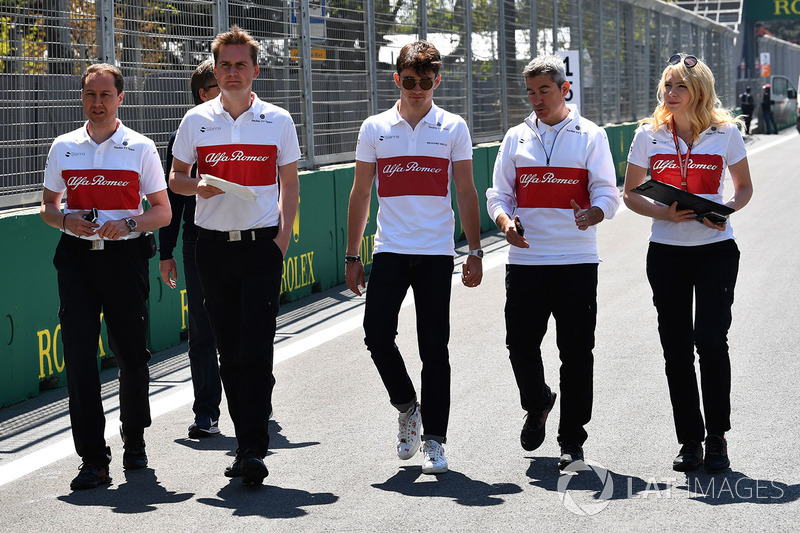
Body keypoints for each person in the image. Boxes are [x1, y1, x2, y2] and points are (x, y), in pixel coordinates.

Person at [345, 40, 483, 475]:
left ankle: (436, 439)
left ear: (437, 80)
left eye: (426, 81)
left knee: (433, 347)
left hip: (436, 253)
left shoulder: (453, 126)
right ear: (397, 79)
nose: (418, 88)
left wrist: (475, 250)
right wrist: (352, 255)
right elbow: (361, 193)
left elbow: (465, 191)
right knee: (376, 334)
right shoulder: (375, 127)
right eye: (409, 80)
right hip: (389, 249)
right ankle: (408, 408)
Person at [169, 26, 299, 486]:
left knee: (256, 347)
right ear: (216, 70)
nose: (232, 72)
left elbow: (290, 184)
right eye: (224, 64)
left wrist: (281, 240)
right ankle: (246, 445)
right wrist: (194, 185)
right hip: (211, 249)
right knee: (228, 351)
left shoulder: (278, 120)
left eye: (241, 64)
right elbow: (175, 179)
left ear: (255, 70)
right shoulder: (195, 120)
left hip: (262, 247)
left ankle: (251, 448)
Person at [39, 63, 171, 490]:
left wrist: (130, 225)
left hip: (124, 258)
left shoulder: (141, 147)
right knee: (79, 360)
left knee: (131, 356)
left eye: (105, 95)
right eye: (90, 95)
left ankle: (134, 438)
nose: (97, 103)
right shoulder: (63, 146)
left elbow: (162, 211)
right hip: (76, 260)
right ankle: (93, 459)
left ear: (121, 98)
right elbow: (48, 206)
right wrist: (66, 222)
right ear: (82, 98)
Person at [486, 54, 620, 471]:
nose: (536, 99)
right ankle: (538, 401)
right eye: (530, 92)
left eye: (544, 90)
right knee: (520, 345)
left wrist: (592, 214)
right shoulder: (515, 138)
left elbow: (608, 195)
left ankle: (572, 441)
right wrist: (505, 222)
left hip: (577, 260)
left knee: (576, 352)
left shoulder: (591, 135)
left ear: (564, 89)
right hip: (526, 261)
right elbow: (498, 195)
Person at [623, 53, 753, 474]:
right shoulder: (648, 135)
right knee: (676, 348)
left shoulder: (725, 133)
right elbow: (630, 194)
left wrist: (726, 210)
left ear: (698, 91)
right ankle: (690, 441)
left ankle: (717, 437)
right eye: (667, 85)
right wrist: (662, 213)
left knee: (711, 341)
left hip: (716, 250)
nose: (671, 93)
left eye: (680, 86)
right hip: (666, 252)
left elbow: (744, 188)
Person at [158, 59, 223, 439]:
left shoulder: (251, 129)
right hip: (198, 242)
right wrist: (166, 253)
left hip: (244, 238)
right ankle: (206, 413)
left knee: (247, 326)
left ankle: (256, 403)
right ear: (204, 93)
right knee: (202, 331)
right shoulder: (186, 134)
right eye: (221, 84)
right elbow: (172, 202)